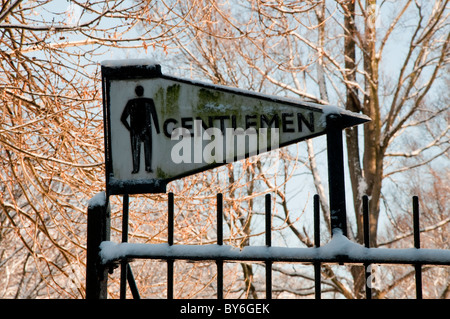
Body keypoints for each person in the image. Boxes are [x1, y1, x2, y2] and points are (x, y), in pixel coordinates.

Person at [120, 85, 160, 173]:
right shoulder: (148, 101)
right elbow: (154, 117)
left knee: (136, 150)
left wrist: (129, 129)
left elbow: (123, 119)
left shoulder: (131, 103)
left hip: (136, 131)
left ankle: (136, 169)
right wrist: (158, 130)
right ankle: (147, 167)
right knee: (147, 149)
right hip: (146, 130)